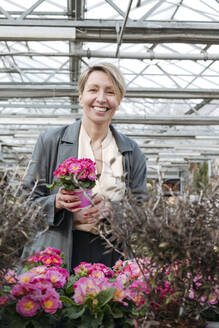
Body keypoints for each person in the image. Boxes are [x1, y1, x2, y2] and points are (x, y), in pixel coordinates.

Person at [23, 62, 147, 273]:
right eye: (93, 90)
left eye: (110, 92)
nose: (101, 99)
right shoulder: (51, 141)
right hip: (61, 249)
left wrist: (113, 211)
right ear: (80, 96)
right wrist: (57, 202)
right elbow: (25, 203)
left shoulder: (131, 151)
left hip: (113, 254)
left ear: (119, 99)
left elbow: (143, 212)